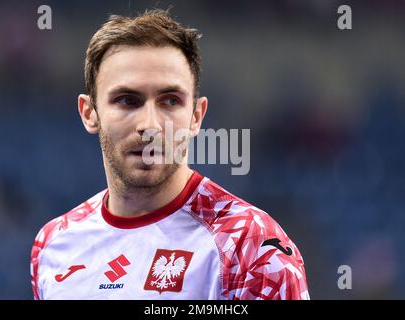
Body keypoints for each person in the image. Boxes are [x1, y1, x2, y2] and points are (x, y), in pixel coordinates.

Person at [30, 9, 309, 300]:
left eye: (170, 101)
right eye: (127, 100)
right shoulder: (53, 244)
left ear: (196, 116)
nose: (149, 125)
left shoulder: (249, 244)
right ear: (90, 113)